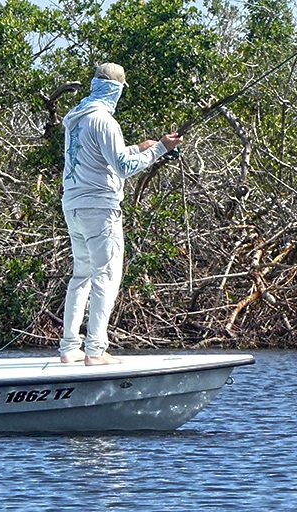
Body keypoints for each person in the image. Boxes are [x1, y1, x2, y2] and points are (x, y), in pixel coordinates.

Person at [58, 62, 181, 365]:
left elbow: (100, 157)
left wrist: (139, 147)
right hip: (99, 208)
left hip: (73, 205)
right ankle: (95, 351)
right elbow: (123, 168)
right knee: (107, 277)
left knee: (82, 275)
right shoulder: (105, 121)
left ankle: (70, 347)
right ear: (116, 91)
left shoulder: (76, 119)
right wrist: (160, 149)